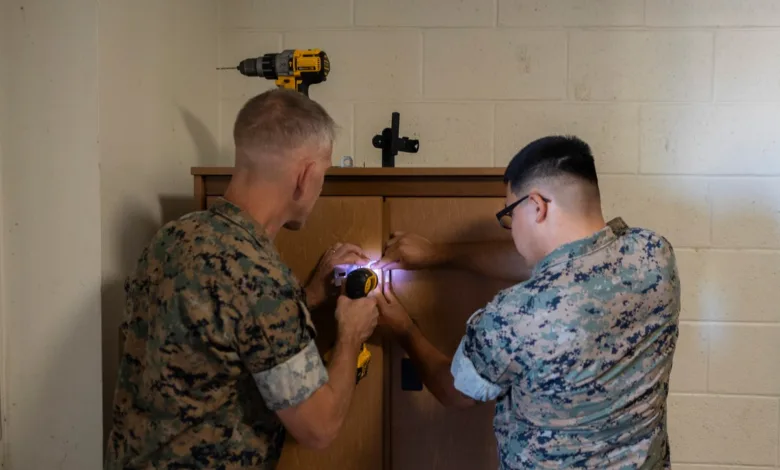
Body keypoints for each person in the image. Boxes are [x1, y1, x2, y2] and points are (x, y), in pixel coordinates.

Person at [105, 89, 379, 469]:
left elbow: (227, 330)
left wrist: (307, 297)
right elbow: (320, 428)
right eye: (324, 173)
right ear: (306, 175)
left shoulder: (172, 237)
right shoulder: (260, 276)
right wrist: (351, 334)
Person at [375, 135, 681, 469]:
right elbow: (564, 264)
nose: (510, 229)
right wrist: (439, 254)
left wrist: (404, 329)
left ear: (537, 206)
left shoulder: (512, 316)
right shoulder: (653, 253)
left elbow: (453, 391)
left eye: (509, 214)